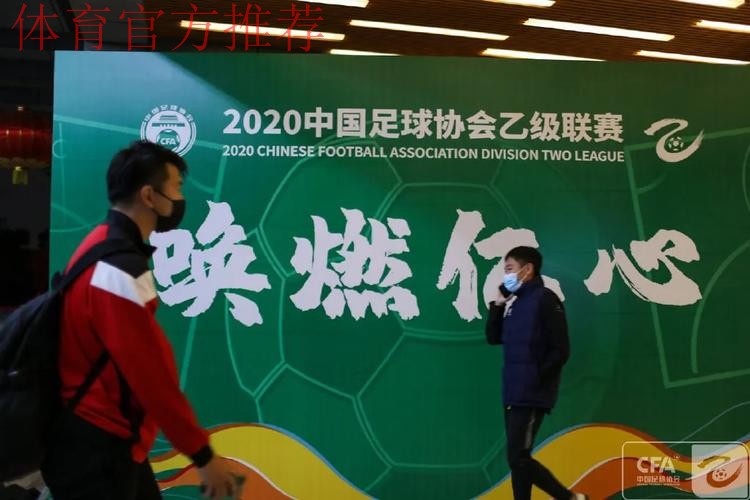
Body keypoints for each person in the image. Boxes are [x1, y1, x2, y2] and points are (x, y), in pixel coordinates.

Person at [41, 140, 237, 499]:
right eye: (176, 187)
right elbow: (151, 374)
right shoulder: (119, 268)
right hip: (98, 449)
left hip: (104, 440)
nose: (180, 199)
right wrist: (202, 454)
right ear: (149, 196)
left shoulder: (101, 243)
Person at [485, 246, 586, 500]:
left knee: (518, 458)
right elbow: (493, 337)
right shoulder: (515, 304)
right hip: (512, 391)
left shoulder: (545, 299)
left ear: (527, 269)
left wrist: (535, 379)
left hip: (530, 393)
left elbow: (560, 350)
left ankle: (570, 498)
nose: (506, 275)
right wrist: (498, 304)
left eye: (509, 269)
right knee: (518, 460)